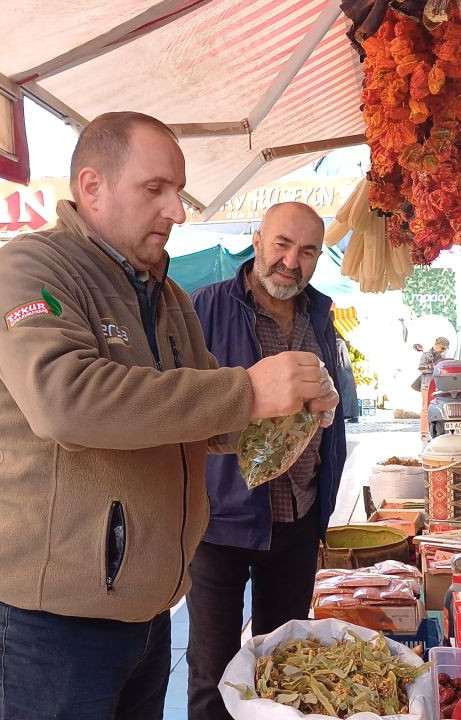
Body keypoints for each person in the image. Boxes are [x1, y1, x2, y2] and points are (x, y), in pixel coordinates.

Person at [0, 112, 338, 720]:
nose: (177, 211)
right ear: (92, 186)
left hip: (147, 610)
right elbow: (67, 400)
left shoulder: (165, 297)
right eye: (155, 189)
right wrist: (246, 391)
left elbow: (211, 422)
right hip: (46, 624)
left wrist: (294, 411)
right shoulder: (29, 269)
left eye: (179, 193)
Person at [187, 203, 349, 720]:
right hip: (219, 525)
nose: (291, 262)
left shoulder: (319, 315)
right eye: (281, 244)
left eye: (306, 251)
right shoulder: (203, 310)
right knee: (213, 672)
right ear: (257, 242)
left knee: (283, 669)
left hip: (297, 520)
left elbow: (331, 405)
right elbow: (179, 403)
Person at [417, 337, 449, 438]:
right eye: (442, 348)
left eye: (445, 349)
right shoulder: (426, 355)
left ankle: (438, 430)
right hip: (427, 385)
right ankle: (424, 432)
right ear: (438, 344)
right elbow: (421, 368)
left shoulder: (442, 357)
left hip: (438, 385)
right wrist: (433, 367)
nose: (443, 350)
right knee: (426, 408)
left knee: (439, 407)